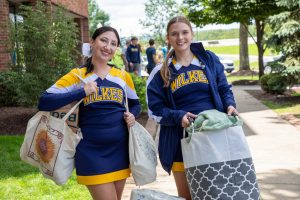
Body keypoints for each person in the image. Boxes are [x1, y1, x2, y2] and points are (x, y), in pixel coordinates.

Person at [38, 26, 141, 200]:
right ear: (92, 42)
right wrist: (82, 91)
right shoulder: (77, 75)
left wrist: (133, 115)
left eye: (113, 43)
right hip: (92, 153)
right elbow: (44, 101)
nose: (108, 46)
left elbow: (135, 104)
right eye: (103, 40)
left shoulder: (122, 76)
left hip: (120, 151)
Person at [146, 16, 238, 200]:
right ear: (168, 38)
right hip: (181, 141)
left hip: (214, 136)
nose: (180, 37)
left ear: (192, 34)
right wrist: (178, 116)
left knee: (219, 192)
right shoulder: (160, 72)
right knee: (187, 196)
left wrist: (230, 105)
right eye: (174, 34)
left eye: (184, 32)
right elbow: (155, 110)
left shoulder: (209, 59)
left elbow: (223, 87)